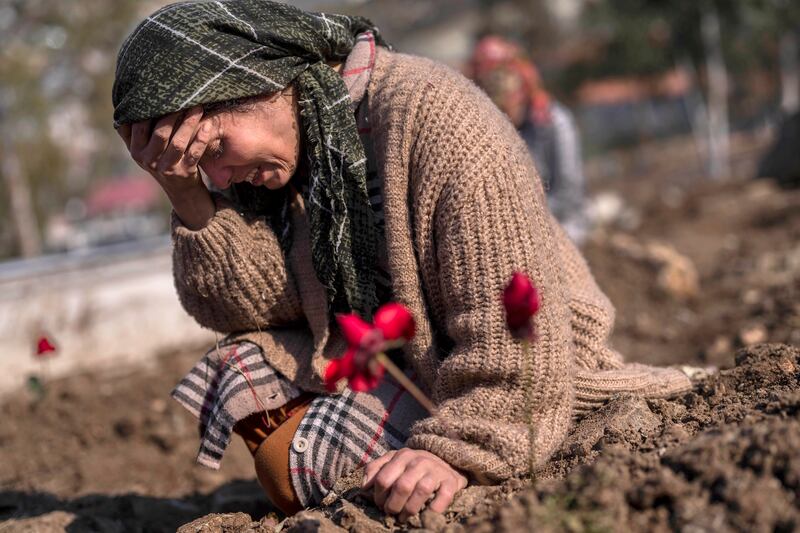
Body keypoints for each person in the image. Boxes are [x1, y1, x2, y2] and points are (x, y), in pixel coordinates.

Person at [113, 0, 690, 520]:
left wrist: (461, 452)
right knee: (242, 368)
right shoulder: (298, 153)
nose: (217, 175)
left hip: (529, 381)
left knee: (291, 469)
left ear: (259, 82)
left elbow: (520, 326)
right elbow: (254, 305)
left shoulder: (435, 118)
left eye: (215, 150)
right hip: (415, 365)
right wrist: (186, 194)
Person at [469, 35, 590, 244]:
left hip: (562, 230)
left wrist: (518, 217)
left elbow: (568, 195)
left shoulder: (554, 123)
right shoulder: (488, 133)